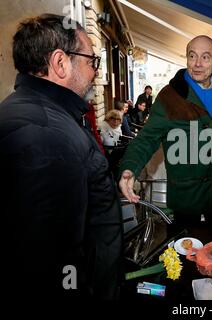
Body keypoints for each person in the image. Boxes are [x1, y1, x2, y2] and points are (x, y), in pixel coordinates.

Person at [0, 14, 123, 300]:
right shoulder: (44, 136)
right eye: (92, 61)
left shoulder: (37, 113)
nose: (96, 73)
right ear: (60, 63)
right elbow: (49, 265)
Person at [119, 35, 212, 225]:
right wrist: (130, 167)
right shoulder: (169, 96)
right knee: (185, 250)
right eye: (192, 56)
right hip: (186, 194)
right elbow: (147, 138)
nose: (197, 63)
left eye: (205, 57)